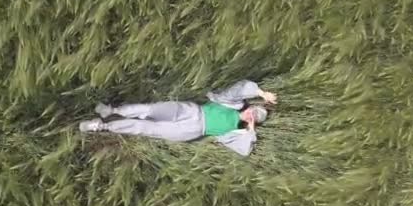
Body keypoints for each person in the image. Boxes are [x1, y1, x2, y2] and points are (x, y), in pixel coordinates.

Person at [79, 80, 277, 156]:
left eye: (255, 117)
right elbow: (239, 88)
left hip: (192, 131)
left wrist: (251, 128)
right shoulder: (231, 104)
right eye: (254, 111)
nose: (252, 114)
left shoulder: (234, 131)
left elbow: (245, 149)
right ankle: (112, 110)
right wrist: (261, 93)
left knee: (146, 128)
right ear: (251, 107)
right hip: (191, 111)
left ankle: (101, 126)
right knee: (150, 110)